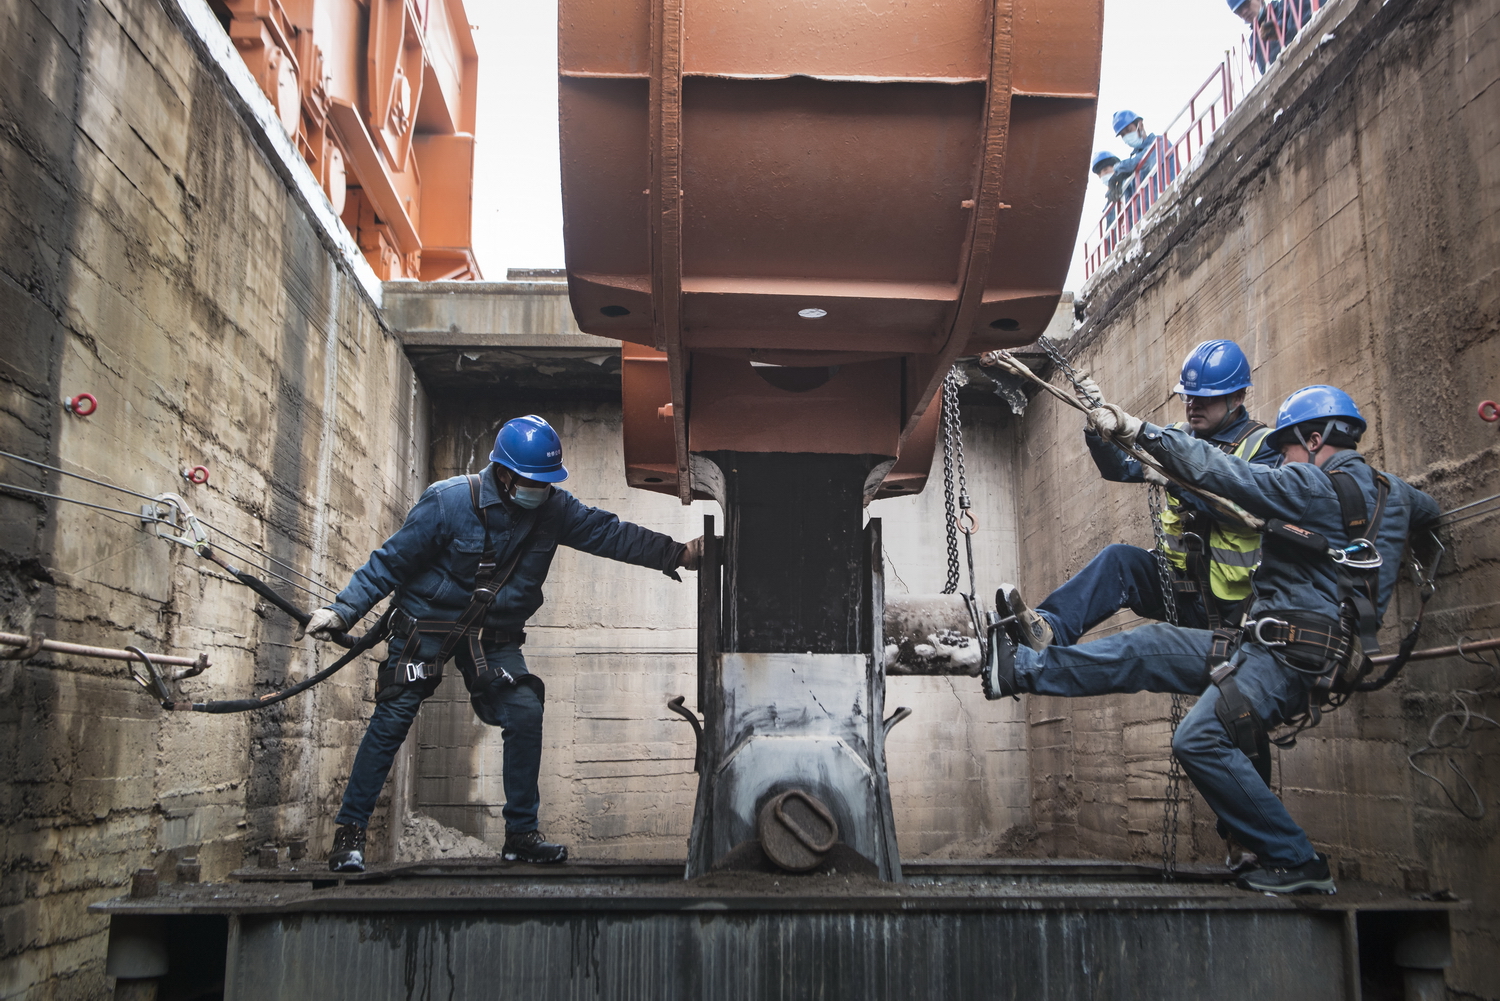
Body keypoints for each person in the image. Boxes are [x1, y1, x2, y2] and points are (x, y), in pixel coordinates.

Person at [982, 385, 1440, 894]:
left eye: (1286, 448)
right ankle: (1018, 669)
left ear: (1315, 440)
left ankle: (1296, 860)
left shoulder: (1310, 487)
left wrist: (1143, 433)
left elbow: (1233, 476)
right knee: (1147, 647)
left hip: (1289, 654)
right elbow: (1430, 511)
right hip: (1265, 644)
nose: (1281, 458)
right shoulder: (1393, 492)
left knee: (1199, 738)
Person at [302, 415, 703, 872]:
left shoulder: (554, 509)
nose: (541, 489)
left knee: (525, 710)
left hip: (492, 638)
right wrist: (342, 610)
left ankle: (520, 837)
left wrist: (678, 554)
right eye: (532, 481)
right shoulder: (449, 502)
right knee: (393, 716)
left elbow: (609, 534)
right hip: (425, 629)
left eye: (547, 482)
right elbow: (389, 562)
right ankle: (349, 835)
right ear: (505, 473)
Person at [994, 339, 1278, 652]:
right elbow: (1120, 468)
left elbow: (1245, 512)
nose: (1193, 405)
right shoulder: (1175, 437)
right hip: (1180, 590)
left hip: (1235, 608)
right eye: (1189, 396)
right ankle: (1049, 629)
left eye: (1204, 399)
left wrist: (1175, 481)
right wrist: (1096, 422)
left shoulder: (1262, 448)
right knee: (1120, 561)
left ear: (1236, 398)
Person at [1109, 110, 1178, 225]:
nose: (1126, 136)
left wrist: (1118, 170)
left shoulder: (1160, 143)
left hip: (1170, 202)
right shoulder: (1131, 170)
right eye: (1122, 135)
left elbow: (1146, 158)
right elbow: (1132, 206)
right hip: (1149, 221)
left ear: (1140, 124)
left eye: (1129, 130)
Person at [1230, 0, 1321, 72]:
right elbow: (1268, 73)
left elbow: (1314, 18)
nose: (1244, 12)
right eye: (1238, 11)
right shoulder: (1255, 42)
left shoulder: (1287, 5)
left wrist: (1282, 31)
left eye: (1246, 3)